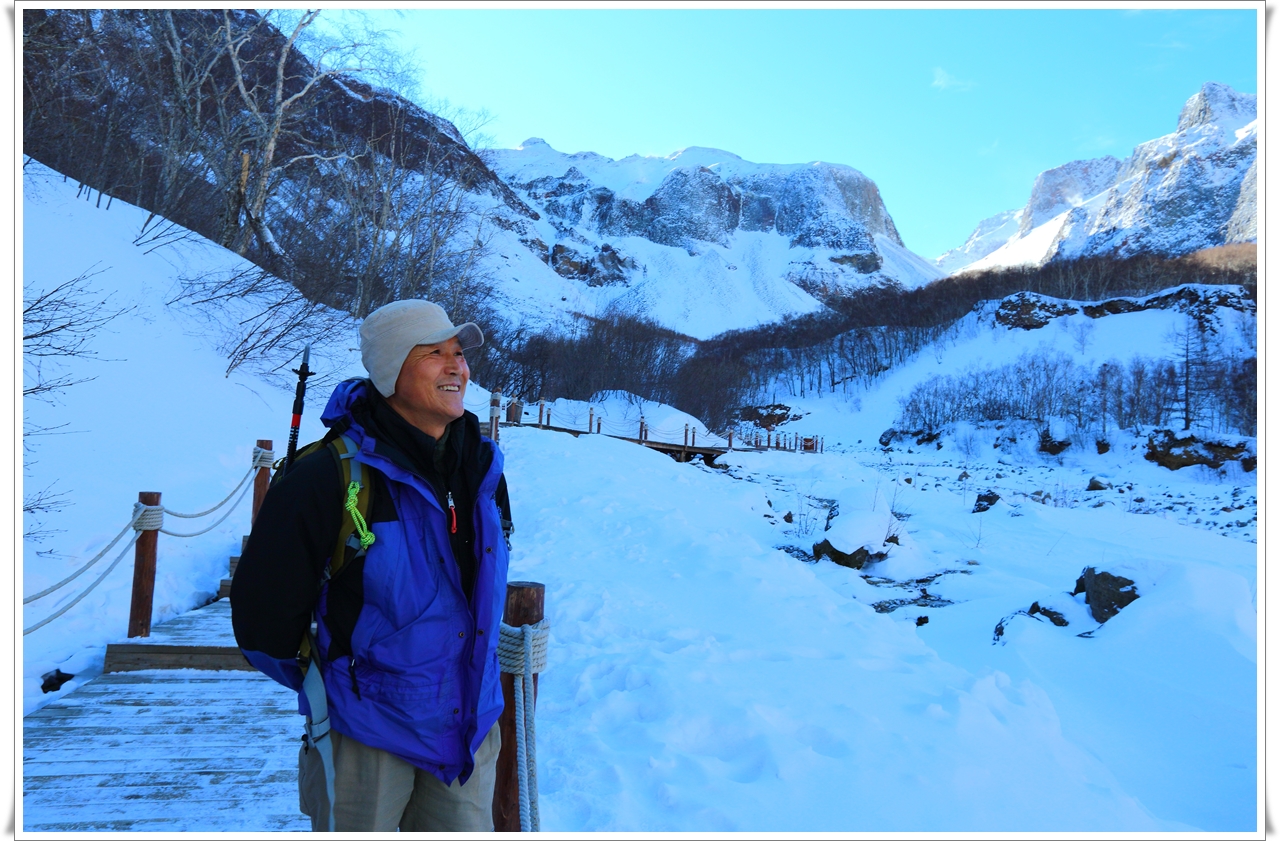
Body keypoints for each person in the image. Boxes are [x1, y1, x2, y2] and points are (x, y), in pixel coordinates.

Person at [231, 299, 513, 832]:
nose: (456, 366)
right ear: (389, 372)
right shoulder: (325, 477)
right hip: (365, 735)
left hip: (468, 729)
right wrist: (341, 687)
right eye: (434, 353)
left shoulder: (481, 467)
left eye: (458, 352)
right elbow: (263, 623)